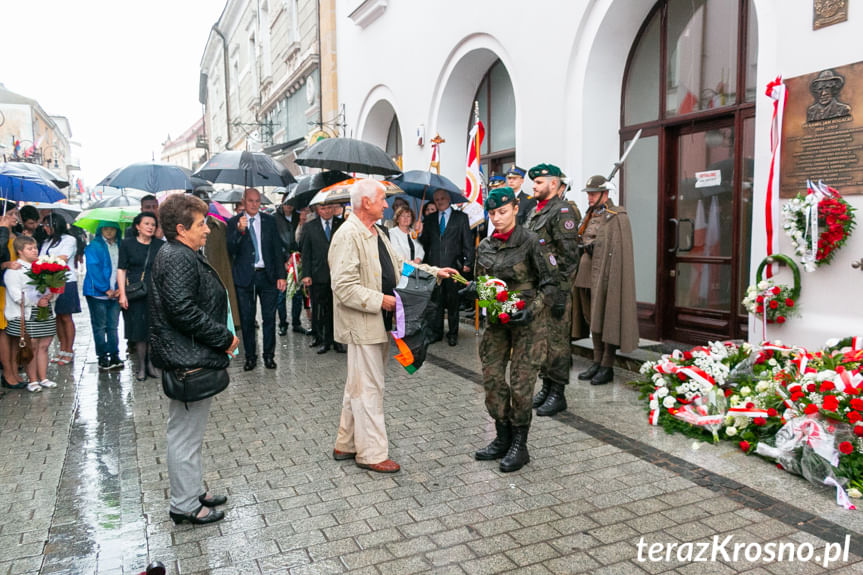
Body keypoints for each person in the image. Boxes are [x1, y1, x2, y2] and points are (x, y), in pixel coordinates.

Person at [329, 179, 456, 473]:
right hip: (363, 324)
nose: (387, 205)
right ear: (365, 204)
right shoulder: (348, 235)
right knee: (369, 387)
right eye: (382, 200)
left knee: (358, 384)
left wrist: (436, 272)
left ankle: (346, 443)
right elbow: (344, 287)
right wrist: (382, 301)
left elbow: (401, 265)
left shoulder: (376, 232)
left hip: (377, 322)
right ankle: (371, 454)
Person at [150, 193, 239, 526]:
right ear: (180, 228)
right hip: (187, 360)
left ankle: (191, 491)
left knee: (188, 434)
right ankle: (185, 504)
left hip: (190, 357)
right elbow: (182, 311)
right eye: (201, 224)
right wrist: (224, 338)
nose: (208, 229)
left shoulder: (180, 253)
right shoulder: (176, 257)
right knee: (184, 436)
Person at [459, 187, 559, 472]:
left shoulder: (532, 241)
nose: (497, 218)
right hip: (498, 320)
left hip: (528, 322)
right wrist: (472, 291)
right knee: (491, 378)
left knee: (521, 384)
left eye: (502, 212)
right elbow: (485, 284)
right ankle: (501, 437)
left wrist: (533, 309)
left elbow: (551, 284)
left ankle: (520, 444)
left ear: (516, 208)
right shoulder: (486, 245)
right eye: (492, 213)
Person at [524, 164, 582, 416]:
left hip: (555, 290)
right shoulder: (536, 212)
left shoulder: (562, 212)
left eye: (539, 182)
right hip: (539, 289)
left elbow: (569, 258)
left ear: (554, 184)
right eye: (534, 182)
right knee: (543, 343)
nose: (534, 186)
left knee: (557, 343)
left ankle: (558, 393)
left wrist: (560, 293)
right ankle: (547, 387)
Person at [573, 175, 639, 385]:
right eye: (589, 194)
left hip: (604, 275)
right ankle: (597, 360)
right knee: (591, 318)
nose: (589, 198)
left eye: (593, 194)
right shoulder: (589, 215)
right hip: (584, 275)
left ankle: (607, 364)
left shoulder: (617, 216)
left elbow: (619, 250)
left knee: (605, 316)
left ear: (605, 193)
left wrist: (597, 247)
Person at [226, 188, 286, 371]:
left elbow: (277, 249)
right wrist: (239, 232)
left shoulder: (269, 221)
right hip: (245, 277)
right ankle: (250, 357)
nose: (254, 204)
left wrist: (281, 276)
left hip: (267, 276)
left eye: (257, 201)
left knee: (269, 318)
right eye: (250, 201)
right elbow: (230, 250)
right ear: (243, 201)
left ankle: (269, 355)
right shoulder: (234, 222)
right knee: (247, 319)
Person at [419, 189, 473, 346]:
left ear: (449, 199)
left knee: (453, 302)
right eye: (436, 199)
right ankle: (436, 332)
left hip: (454, 266)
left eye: (442, 198)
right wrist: (419, 231)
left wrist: (468, 262)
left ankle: (453, 333)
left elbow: (467, 241)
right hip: (435, 267)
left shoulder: (460, 218)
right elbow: (425, 243)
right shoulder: (429, 219)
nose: (440, 201)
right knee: (436, 302)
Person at [5, 235, 58, 392]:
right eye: (30, 248)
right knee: (32, 345)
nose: (34, 251)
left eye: (35, 247)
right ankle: (32, 380)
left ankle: (44, 377)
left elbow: (54, 288)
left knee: (44, 345)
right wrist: (36, 301)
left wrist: (51, 295)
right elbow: (16, 296)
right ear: (20, 251)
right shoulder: (15, 270)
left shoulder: (43, 267)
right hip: (28, 313)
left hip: (46, 310)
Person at [118, 212, 164, 381]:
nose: (150, 227)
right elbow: (121, 269)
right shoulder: (127, 244)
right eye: (147, 224)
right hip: (136, 292)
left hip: (155, 291)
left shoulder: (159, 245)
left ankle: (151, 363)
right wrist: (122, 293)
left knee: (153, 329)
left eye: (153, 224)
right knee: (138, 330)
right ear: (137, 226)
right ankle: (141, 366)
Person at [301, 202, 343, 354]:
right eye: (323, 208)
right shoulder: (309, 227)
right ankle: (323, 339)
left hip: (338, 274)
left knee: (336, 310)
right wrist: (306, 274)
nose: (326, 211)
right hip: (318, 275)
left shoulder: (342, 224)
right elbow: (306, 253)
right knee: (320, 310)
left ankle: (337, 341)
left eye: (329, 208)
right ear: (317, 210)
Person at [39, 214, 81, 366]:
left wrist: (44, 263)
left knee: (66, 317)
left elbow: (62, 259)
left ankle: (69, 349)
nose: (44, 228)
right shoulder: (46, 242)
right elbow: (39, 260)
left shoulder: (69, 240)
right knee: (57, 316)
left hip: (65, 281)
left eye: (46, 225)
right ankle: (62, 348)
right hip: (50, 283)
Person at [83, 222, 123, 371]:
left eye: (112, 228)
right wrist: (106, 289)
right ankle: (102, 357)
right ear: (100, 230)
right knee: (100, 326)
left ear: (117, 230)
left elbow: (124, 267)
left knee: (113, 326)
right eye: (105, 228)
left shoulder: (121, 245)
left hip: (116, 292)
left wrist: (120, 288)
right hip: (97, 294)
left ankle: (114, 355)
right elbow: (93, 269)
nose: (109, 231)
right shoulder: (93, 246)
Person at [274, 195, 308, 336]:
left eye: (291, 203)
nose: (288, 206)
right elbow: (274, 241)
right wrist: (285, 257)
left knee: (297, 294)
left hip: (297, 260)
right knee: (281, 295)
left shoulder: (297, 218)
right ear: (282, 203)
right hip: (282, 261)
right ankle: (282, 323)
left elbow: (300, 240)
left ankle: (296, 322)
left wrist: (301, 223)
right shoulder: (275, 218)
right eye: (286, 203)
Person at [0, 207, 26, 390]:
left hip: (15, 290)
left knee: (14, 333)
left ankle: (15, 371)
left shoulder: (16, 236)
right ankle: (8, 373)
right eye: (10, 214)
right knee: (3, 332)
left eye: (15, 214)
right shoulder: (2, 235)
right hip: (2, 290)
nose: (14, 217)